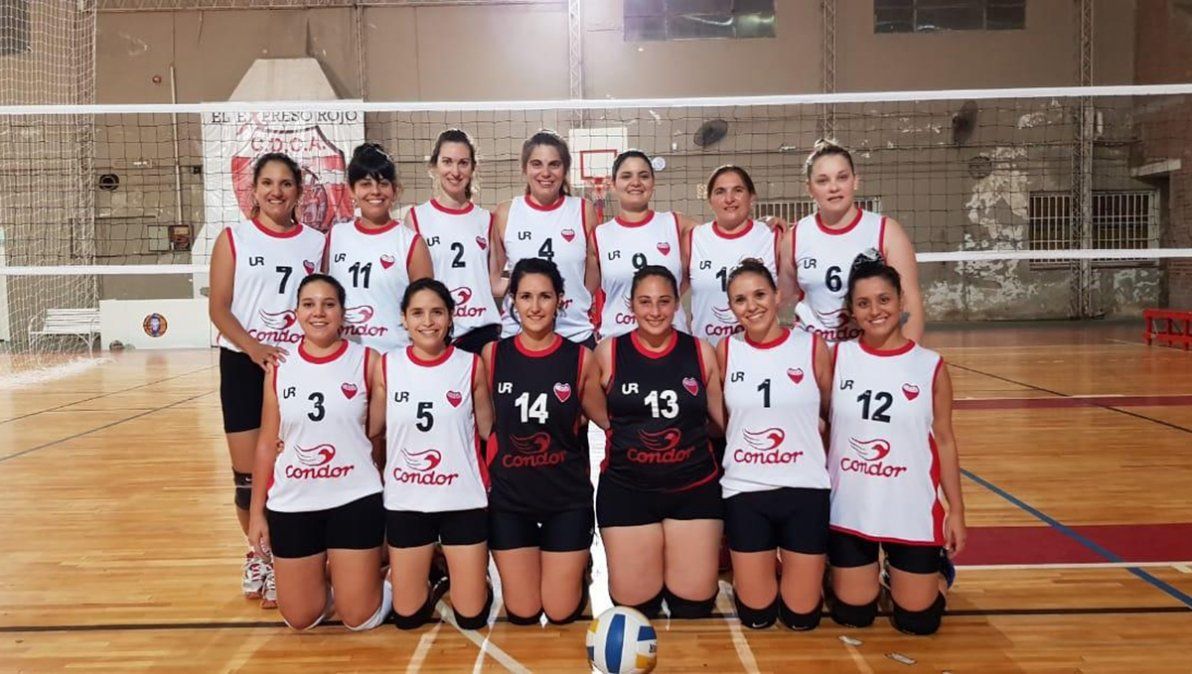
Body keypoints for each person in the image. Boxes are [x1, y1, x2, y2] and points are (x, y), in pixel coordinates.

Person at [208, 152, 326, 606]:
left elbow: (324, 305)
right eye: (268, 183)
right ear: (253, 190)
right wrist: (255, 348)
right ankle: (260, 553)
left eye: (286, 184)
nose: (276, 192)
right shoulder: (233, 239)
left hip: (296, 366)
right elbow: (219, 307)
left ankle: (288, 556)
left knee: (288, 468)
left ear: (298, 191)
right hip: (243, 362)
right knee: (246, 476)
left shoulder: (316, 244)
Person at [827, 255, 966, 636]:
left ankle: (932, 576)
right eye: (864, 303)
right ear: (852, 312)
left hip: (910, 507)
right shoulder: (838, 358)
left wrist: (956, 510)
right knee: (854, 615)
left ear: (902, 301)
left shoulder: (930, 366)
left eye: (884, 299)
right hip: (851, 507)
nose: (876, 310)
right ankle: (852, 573)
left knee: (918, 622)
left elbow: (945, 439)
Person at [245, 274, 388, 630]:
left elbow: (381, 433)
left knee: (359, 618)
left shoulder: (368, 361)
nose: (319, 313)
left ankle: (399, 575)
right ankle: (331, 576)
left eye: (329, 304)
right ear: (296, 312)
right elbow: (266, 442)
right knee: (301, 619)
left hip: (354, 497)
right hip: (294, 502)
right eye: (309, 304)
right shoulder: (279, 366)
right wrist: (256, 514)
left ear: (342, 313)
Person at [482, 258, 608, 625]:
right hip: (510, 501)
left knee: (560, 610)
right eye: (525, 297)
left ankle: (577, 566)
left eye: (544, 296)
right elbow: (482, 425)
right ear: (513, 304)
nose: (535, 307)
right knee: (522, 611)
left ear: (560, 302)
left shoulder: (580, 359)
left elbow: (608, 422)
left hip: (565, 500)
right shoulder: (492, 356)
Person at [594, 265, 724, 620]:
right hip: (628, 490)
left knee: (693, 605)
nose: (655, 311)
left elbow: (722, 422)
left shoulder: (700, 352)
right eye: (645, 302)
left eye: (664, 302)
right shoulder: (608, 353)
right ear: (631, 305)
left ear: (677, 303)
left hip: (693, 488)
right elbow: (589, 409)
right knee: (636, 606)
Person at [368, 279, 495, 630]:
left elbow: (488, 432)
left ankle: (469, 574)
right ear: (404, 320)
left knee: (472, 616)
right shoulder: (387, 366)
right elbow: (371, 430)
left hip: (462, 499)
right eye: (418, 313)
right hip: (407, 500)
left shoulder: (470, 365)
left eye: (437, 312)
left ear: (451, 318)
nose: (428, 322)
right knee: (407, 616)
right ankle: (428, 572)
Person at [716, 258, 832, 631]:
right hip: (746, 490)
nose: (752, 306)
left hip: (804, 487)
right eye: (740, 300)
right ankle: (761, 575)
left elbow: (830, 412)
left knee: (801, 618)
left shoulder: (812, 347)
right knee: (758, 617)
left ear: (778, 295)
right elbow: (721, 416)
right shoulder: (725, 350)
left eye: (760, 294)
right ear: (731, 307)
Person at [780, 140, 925, 344]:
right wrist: (757, 231)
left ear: (855, 181)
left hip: (864, 353)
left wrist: (906, 357)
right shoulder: (796, 236)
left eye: (842, 177)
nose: (834, 187)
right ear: (809, 188)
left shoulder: (886, 231)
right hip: (811, 355)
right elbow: (778, 298)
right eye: (822, 181)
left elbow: (910, 302)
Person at [492, 130, 599, 347]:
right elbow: (495, 279)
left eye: (554, 164)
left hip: (574, 332)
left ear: (565, 169)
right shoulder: (506, 212)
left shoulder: (583, 210)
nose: (546, 172)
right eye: (537, 164)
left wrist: (575, 299)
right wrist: (519, 289)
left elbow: (594, 270)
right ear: (524, 168)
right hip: (517, 333)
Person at [326, 143, 432, 352]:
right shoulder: (336, 236)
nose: (375, 191)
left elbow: (425, 307)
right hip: (346, 357)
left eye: (383, 183)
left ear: (395, 190)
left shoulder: (411, 242)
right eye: (366, 184)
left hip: (393, 356)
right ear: (351, 190)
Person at [406, 129, 503, 354]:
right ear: (434, 166)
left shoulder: (485, 219)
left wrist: (537, 278)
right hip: (439, 332)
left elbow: (495, 283)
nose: (455, 172)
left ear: (473, 168)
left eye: (463, 163)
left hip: (482, 331)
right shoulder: (417, 218)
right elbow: (416, 285)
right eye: (447, 162)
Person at [591, 150, 691, 338]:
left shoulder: (676, 224)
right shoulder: (599, 235)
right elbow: (584, 291)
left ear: (653, 183)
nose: (635, 182)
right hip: (618, 342)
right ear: (613, 185)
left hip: (672, 341)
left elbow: (723, 235)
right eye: (626, 176)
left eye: (643, 176)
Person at [687, 166, 780, 345]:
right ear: (710, 200)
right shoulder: (694, 238)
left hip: (757, 352)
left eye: (738, 190)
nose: (729, 199)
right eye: (720, 191)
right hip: (707, 354)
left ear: (752, 197)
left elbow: (789, 292)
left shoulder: (773, 236)